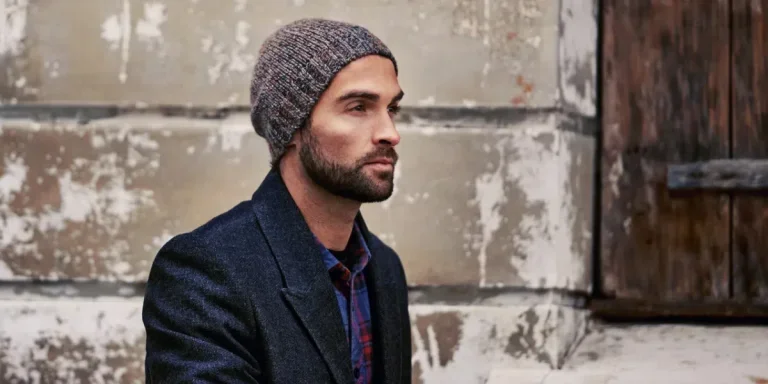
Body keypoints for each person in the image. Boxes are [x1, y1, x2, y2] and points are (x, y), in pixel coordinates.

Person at [141, 18, 411, 384]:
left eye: (391, 109)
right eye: (359, 107)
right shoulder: (206, 270)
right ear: (294, 126)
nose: (389, 133)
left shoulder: (383, 268)